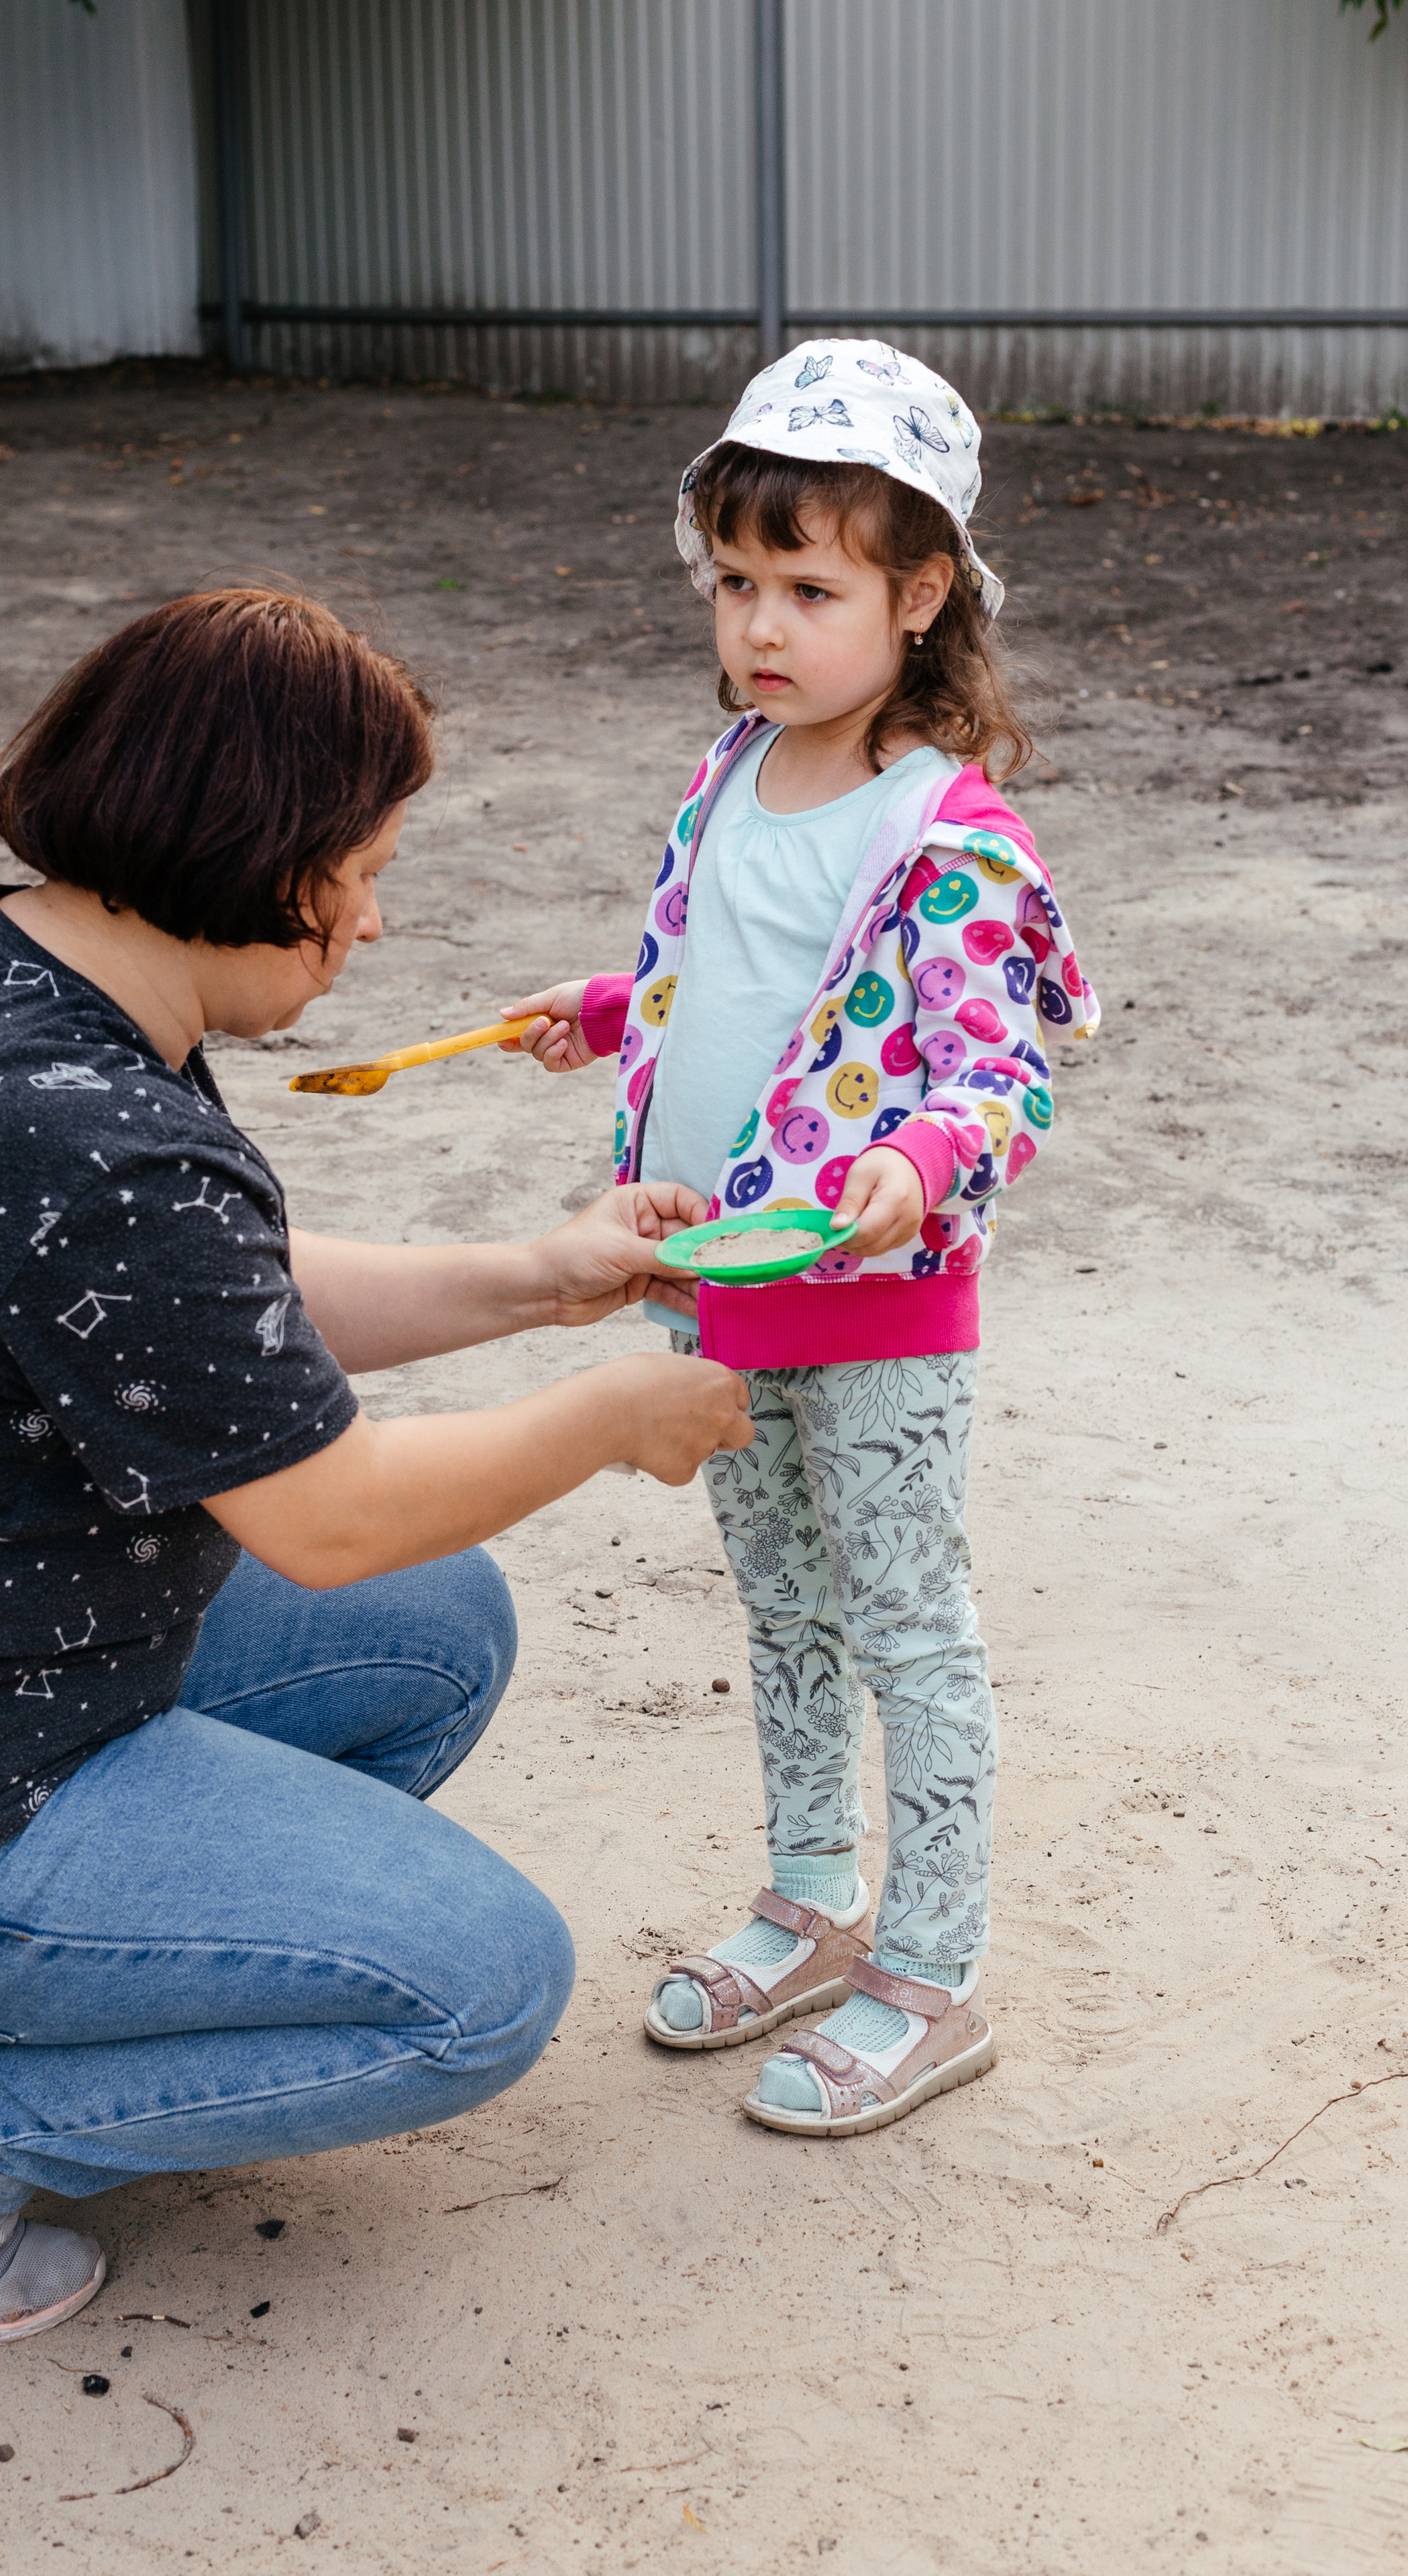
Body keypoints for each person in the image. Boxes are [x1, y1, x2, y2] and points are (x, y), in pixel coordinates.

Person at [0, 587, 753, 2347]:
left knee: (437, 1624)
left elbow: (214, 1303)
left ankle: (138, 2006)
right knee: (481, 1992)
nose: (371, 921)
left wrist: (535, 1281)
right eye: (361, 866)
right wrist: (604, 1419)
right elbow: (325, 1517)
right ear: (264, 864)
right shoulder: (86, 1129)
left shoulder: (27, 974)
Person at [502, 341, 1097, 2139]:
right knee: (784, 1613)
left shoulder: (953, 835)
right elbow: (743, 977)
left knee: (909, 1625)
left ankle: (932, 1971)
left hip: (884, 1301)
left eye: (813, 588)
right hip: (722, 1280)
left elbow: (1000, 1067)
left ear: (920, 597)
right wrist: (616, 1009)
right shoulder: (734, 769)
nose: (763, 624)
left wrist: (924, 1155)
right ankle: (815, 1896)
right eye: (739, 582)